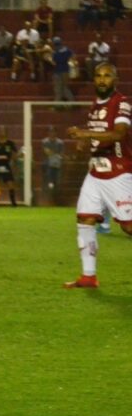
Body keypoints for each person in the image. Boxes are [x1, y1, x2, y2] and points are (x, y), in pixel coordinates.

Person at [64, 62, 132, 288]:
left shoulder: (121, 103)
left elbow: (118, 134)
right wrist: (86, 142)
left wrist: (84, 133)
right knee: (85, 218)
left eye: (107, 76)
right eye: (98, 76)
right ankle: (88, 276)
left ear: (115, 79)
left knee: (128, 226)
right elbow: (98, 134)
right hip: (96, 172)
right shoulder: (95, 105)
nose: (102, 79)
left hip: (118, 171)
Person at [0, 127, 18, 207]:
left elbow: (15, 155)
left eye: (3, 131)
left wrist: (14, 161)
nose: (1, 133)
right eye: (0, 131)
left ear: (6, 132)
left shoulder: (10, 144)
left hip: (6, 166)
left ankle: (13, 202)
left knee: (10, 184)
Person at [41, 126, 64, 197]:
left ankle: (55, 194)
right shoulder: (45, 142)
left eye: (53, 131)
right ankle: (49, 192)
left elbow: (61, 153)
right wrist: (56, 154)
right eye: (50, 131)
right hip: (48, 164)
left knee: (57, 180)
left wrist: (55, 155)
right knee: (49, 178)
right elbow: (46, 152)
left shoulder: (60, 142)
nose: (52, 133)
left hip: (57, 163)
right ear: (48, 132)